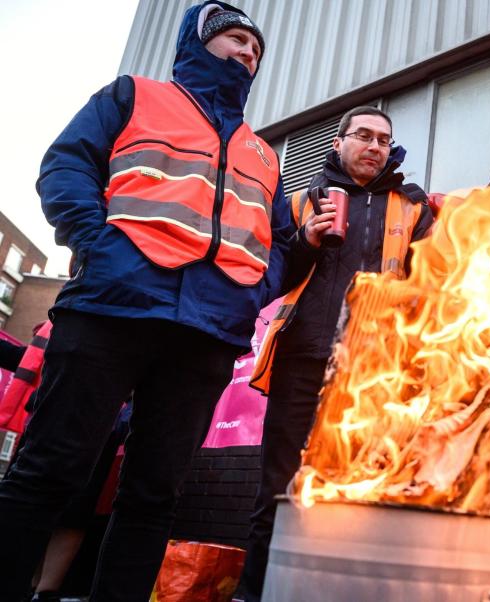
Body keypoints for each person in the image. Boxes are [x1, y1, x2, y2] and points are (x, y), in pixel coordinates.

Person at [0, 2, 294, 599]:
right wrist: (97, 243)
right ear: (198, 42)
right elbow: (66, 164)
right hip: (113, 308)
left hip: (208, 333)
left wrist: (251, 294)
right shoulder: (133, 95)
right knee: (48, 471)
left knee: (156, 494)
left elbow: (281, 242)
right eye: (236, 39)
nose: (248, 53)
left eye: (257, 49)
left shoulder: (264, 155)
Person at [236, 106, 434, 601]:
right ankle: (256, 592)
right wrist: (305, 240)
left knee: (361, 489)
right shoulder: (302, 202)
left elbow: (435, 283)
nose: (374, 146)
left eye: (384, 140)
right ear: (339, 142)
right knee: (280, 488)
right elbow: (271, 280)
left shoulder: (412, 208)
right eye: (363, 135)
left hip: (376, 371)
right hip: (304, 360)